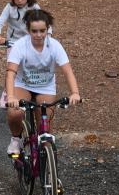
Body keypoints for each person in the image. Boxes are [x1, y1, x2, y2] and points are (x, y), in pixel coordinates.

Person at [5, 9, 81, 154]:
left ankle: (47, 168)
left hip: (45, 87)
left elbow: (67, 71)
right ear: (28, 30)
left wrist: (75, 93)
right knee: (15, 113)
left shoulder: (55, 46)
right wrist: (11, 96)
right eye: (34, 31)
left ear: (47, 29)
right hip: (23, 85)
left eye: (42, 31)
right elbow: (11, 73)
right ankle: (16, 139)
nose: (39, 35)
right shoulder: (20, 46)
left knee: (45, 128)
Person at [0, 0, 48, 108]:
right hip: (13, 43)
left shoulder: (33, 7)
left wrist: (48, 35)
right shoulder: (9, 7)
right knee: (12, 69)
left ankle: (32, 91)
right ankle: (7, 94)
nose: (19, 0)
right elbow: (0, 22)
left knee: (33, 67)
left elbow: (45, 22)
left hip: (30, 42)